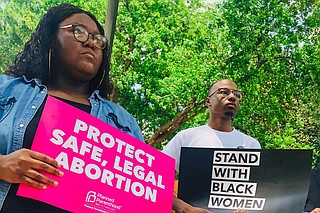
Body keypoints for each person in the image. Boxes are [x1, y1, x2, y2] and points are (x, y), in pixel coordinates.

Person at [0, 3, 143, 212]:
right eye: (79, 32)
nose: (91, 43)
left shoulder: (122, 121)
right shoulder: (6, 91)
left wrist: (182, 207)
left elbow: (143, 187)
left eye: (98, 40)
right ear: (50, 39)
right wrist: (2, 165)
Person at [163, 79, 261, 213]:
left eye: (237, 95)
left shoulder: (251, 145)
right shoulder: (186, 137)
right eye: (224, 92)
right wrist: (184, 208)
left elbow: (258, 194)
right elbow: (154, 180)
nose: (232, 97)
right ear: (208, 101)